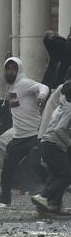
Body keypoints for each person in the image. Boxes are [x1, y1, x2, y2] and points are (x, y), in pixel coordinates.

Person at [0, 57, 50, 207]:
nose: (10, 72)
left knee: (36, 165)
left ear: (19, 70)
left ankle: (51, 194)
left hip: (34, 135)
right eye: (8, 69)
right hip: (18, 136)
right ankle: (4, 198)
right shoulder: (11, 87)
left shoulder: (24, 83)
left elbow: (43, 87)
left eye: (13, 69)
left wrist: (41, 97)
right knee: (7, 166)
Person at [31, 82, 71, 213]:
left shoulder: (61, 106)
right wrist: (69, 143)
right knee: (67, 175)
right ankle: (43, 196)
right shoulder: (69, 108)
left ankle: (50, 205)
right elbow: (59, 130)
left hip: (46, 143)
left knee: (55, 174)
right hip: (53, 144)